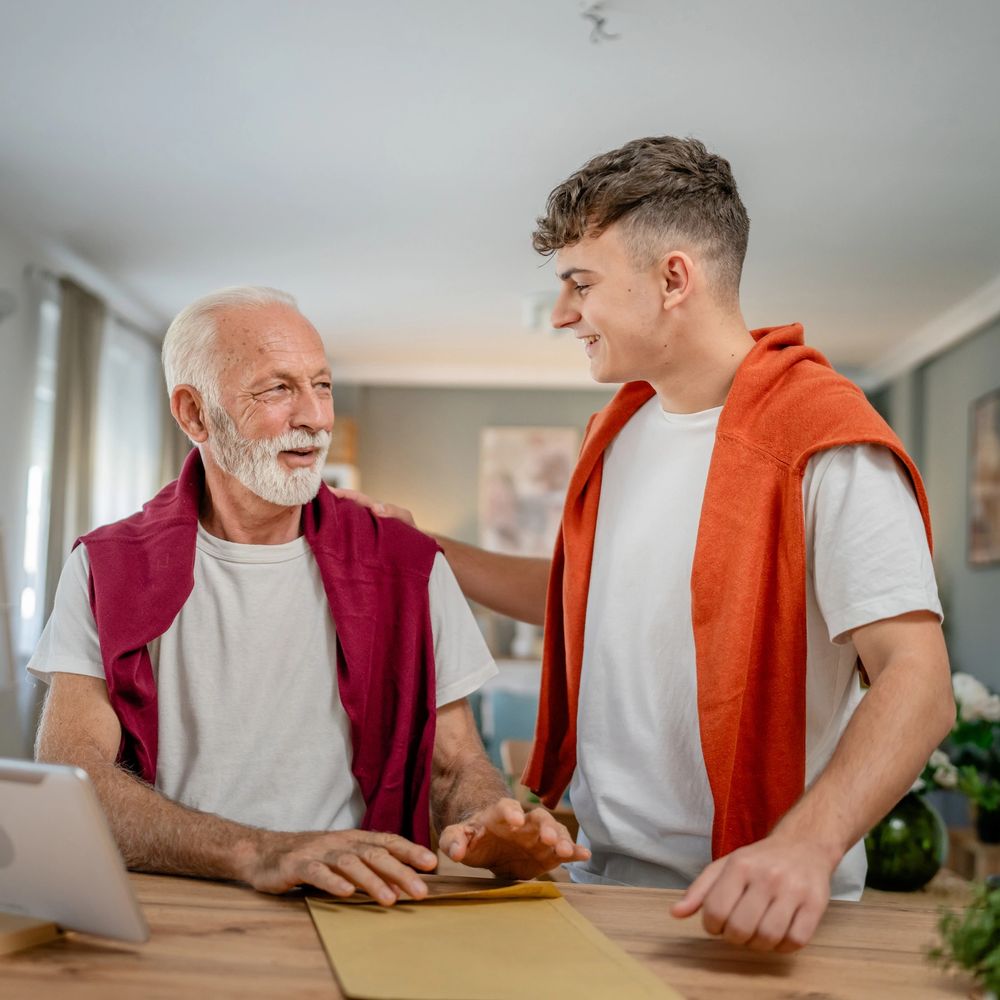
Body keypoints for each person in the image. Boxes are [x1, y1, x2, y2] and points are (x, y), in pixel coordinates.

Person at [339, 137, 955, 949]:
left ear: (674, 278)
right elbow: (579, 596)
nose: (561, 314)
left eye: (580, 284)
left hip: (761, 903)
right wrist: (428, 549)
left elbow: (919, 681)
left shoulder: (827, 442)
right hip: (597, 885)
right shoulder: (619, 432)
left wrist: (805, 849)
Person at [30, 285, 587, 905]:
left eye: (321, 385)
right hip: (173, 906)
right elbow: (74, 775)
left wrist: (490, 820)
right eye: (277, 388)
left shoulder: (409, 564)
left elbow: (455, 765)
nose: (315, 417)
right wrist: (259, 851)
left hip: (360, 907)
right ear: (194, 414)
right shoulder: (104, 566)